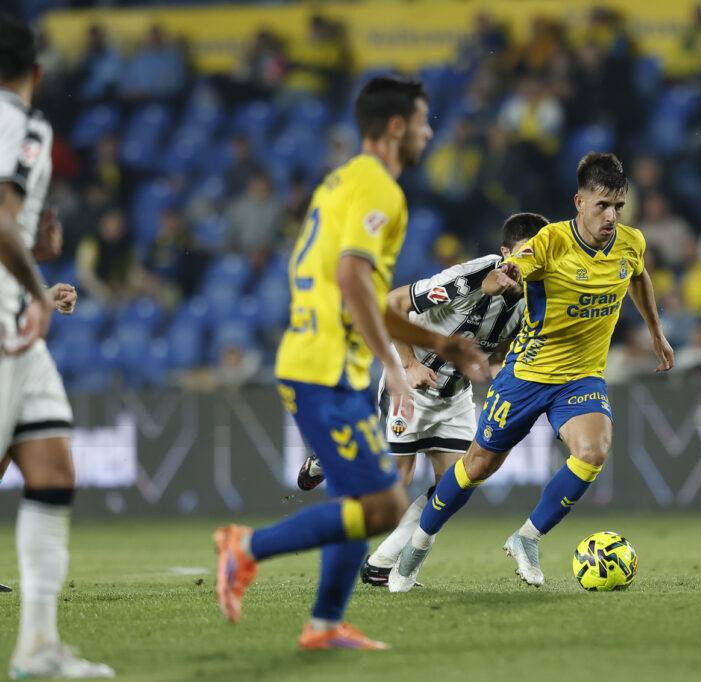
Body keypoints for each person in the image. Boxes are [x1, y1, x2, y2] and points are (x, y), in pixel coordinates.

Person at [211, 76, 489, 651]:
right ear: (396, 127)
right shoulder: (380, 190)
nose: (428, 131)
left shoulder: (338, 182)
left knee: (359, 504)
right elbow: (352, 279)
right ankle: (245, 548)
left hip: (315, 356)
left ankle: (323, 625)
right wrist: (394, 362)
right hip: (324, 369)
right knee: (384, 504)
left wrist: (430, 347)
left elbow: (330, 279)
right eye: (422, 120)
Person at [388, 153, 674, 591]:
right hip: (526, 375)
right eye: (602, 206)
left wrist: (656, 331)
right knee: (476, 467)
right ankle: (417, 547)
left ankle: (527, 537)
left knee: (593, 451)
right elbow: (517, 265)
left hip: (581, 377)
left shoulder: (630, 243)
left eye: (619, 205)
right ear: (579, 202)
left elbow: (638, 276)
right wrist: (505, 275)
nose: (612, 216)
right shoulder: (551, 243)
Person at [297, 213, 549, 587]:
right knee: (395, 483)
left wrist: (503, 382)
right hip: (412, 384)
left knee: (455, 486)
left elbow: (499, 351)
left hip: (455, 395)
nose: (526, 266)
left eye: (537, 256)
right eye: (521, 255)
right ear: (503, 253)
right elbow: (393, 305)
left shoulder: (535, 298)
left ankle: (382, 563)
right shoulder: (468, 279)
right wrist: (410, 363)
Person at [0, 13, 112, 678]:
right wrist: (40, 292)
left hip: (17, 319)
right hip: (7, 323)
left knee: (52, 470)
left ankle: (38, 646)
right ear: (36, 72)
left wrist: (36, 282)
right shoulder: (25, 123)